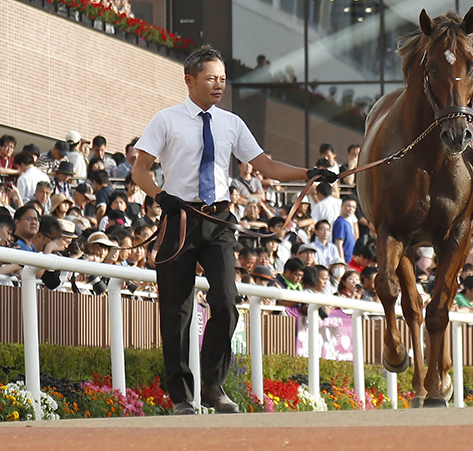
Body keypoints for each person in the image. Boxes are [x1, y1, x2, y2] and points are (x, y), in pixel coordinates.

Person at [131, 46, 330, 415]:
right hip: (179, 218)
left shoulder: (232, 123)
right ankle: (181, 395)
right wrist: (160, 196)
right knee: (177, 311)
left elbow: (266, 166)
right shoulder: (165, 119)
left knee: (226, 301)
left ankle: (212, 385)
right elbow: (139, 170)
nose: (219, 84)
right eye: (211, 78)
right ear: (189, 80)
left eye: (223, 78)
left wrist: (310, 173)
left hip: (219, 221)